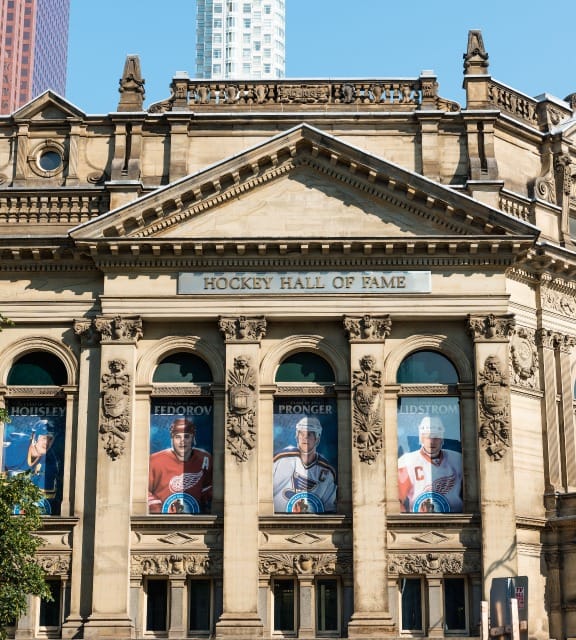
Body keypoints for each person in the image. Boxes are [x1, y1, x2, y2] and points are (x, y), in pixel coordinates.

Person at [398, 415, 462, 513]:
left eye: (436, 437)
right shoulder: (407, 461)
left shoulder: (457, 459)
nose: (432, 442)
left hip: (455, 522)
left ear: (441, 438)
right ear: (421, 438)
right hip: (419, 523)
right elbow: (397, 500)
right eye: (428, 437)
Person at [273, 415, 337, 513]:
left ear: (317, 439)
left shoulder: (327, 471)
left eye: (309, 435)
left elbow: (330, 508)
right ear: (296, 437)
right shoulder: (281, 459)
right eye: (301, 434)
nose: (304, 438)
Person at [148, 418, 212, 514]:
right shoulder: (155, 460)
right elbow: (142, 489)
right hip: (162, 522)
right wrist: (154, 506)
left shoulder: (205, 459)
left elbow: (210, 487)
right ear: (172, 439)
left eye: (186, 436)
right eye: (178, 437)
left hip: (196, 522)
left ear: (193, 438)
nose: (182, 441)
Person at [2, 419, 60, 514]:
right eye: (44, 438)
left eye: (50, 438)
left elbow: (43, 503)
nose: (47, 443)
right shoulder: (14, 449)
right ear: (34, 436)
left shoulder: (50, 463)